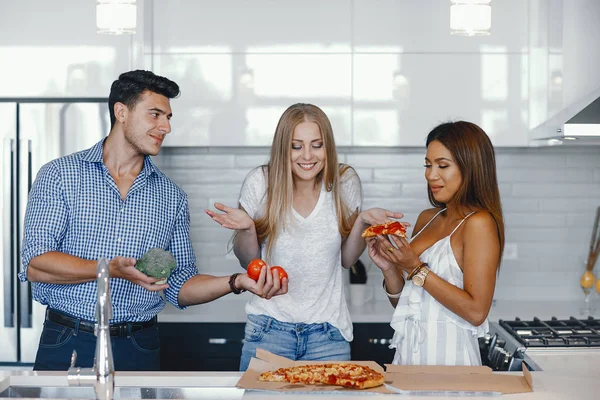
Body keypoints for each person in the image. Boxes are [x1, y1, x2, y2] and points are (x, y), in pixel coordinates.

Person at [19, 70, 285, 371]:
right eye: (155, 114)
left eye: (169, 117)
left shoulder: (171, 197)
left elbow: (179, 284)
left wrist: (237, 282)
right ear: (121, 112)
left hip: (138, 345)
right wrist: (109, 270)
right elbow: (36, 265)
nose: (166, 126)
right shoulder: (60, 175)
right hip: (69, 338)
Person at [205, 103, 403, 371]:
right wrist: (247, 228)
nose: (307, 155)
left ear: (328, 147)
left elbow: (346, 259)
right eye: (296, 146)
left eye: (317, 145)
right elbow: (248, 262)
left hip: (329, 336)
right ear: (283, 147)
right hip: (268, 331)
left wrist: (362, 221)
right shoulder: (260, 182)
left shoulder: (344, 182)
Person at [367, 121, 504, 366]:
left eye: (443, 165)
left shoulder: (479, 224)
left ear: (470, 168)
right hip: (408, 359)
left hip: (450, 364)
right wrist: (389, 267)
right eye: (428, 165)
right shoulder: (427, 218)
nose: (430, 175)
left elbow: (476, 312)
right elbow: (407, 304)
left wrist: (416, 267)